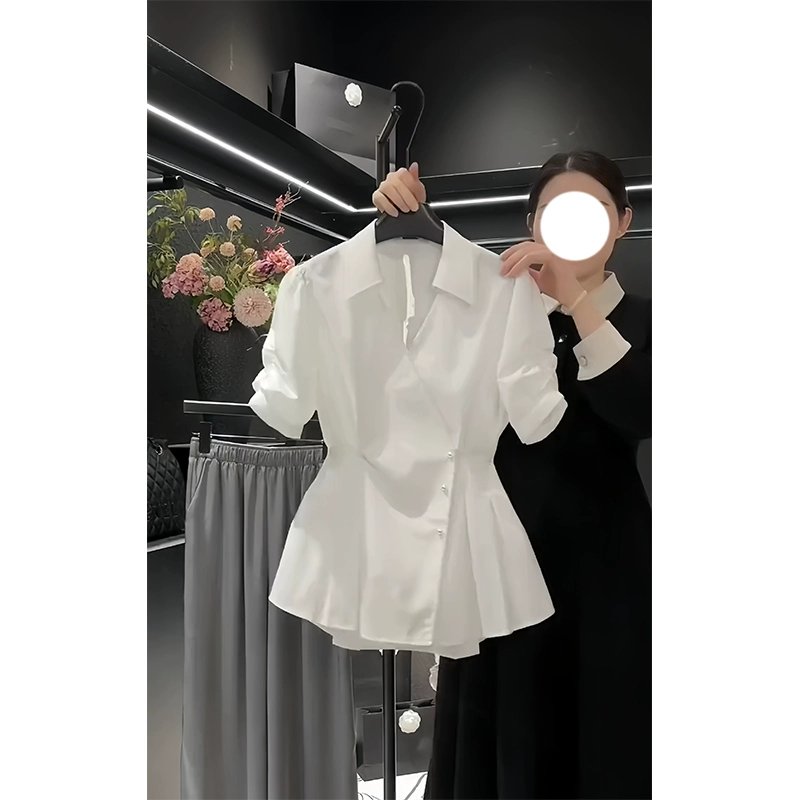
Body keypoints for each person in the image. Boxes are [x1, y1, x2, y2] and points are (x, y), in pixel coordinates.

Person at [372, 151, 652, 799]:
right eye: (555, 213)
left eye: (590, 211)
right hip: (497, 563)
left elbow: (639, 411)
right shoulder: (491, 312)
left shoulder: (646, 319)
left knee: (601, 738)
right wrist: (405, 219)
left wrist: (575, 299)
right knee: (499, 738)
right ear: (532, 224)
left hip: (606, 576)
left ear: (622, 221)